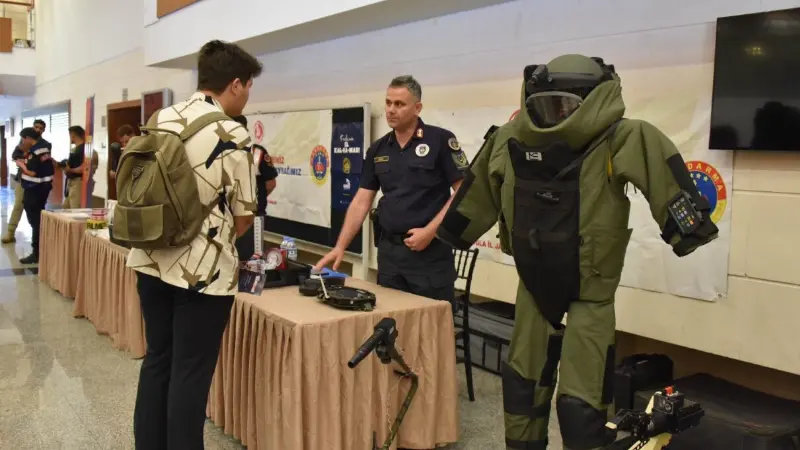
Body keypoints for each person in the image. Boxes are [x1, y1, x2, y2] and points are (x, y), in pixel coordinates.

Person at [434, 55, 720, 450]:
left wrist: (689, 229)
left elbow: (669, 185)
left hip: (591, 292)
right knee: (522, 386)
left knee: (581, 404)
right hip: (534, 286)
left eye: (565, 105)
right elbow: (474, 198)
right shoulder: (507, 138)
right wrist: (452, 231)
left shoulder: (623, 138)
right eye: (546, 105)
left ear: (592, 100)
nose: (555, 115)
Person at [125, 39, 261, 450]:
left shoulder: (160, 118)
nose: (248, 93)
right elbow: (244, 216)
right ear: (235, 84)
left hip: (149, 257)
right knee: (191, 371)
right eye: (249, 85)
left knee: (158, 360)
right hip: (202, 274)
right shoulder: (233, 134)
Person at [315, 75, 470, 306]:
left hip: (429, 255)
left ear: (417, 107)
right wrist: (340, 247)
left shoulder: (441, 140)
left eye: (399, 104)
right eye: (388, 103)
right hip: (390, 256)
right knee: (391, 326)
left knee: (428, 331)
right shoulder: (378, 149)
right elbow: (361, 201)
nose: (391, 110)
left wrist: (430, 232)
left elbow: (463, 191)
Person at [231, 115, 279, 261]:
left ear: (245, 130)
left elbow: (270, 184)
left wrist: (255, 200)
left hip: (252, 218)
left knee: (249, 262)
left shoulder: (258, 153)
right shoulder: (220, 152)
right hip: (226, 216)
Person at [17, 127, 55, 265]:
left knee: (36, 222)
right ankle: (40, 250)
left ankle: (37, 252)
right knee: (37, 221)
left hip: (35, 189)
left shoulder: (35, 151)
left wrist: (21, 164)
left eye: (23, 139)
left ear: (28, 138)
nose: (22, 142)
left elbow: (32, 172)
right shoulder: (44, 148)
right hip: (42, 189)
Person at [2, 142, 26, 244]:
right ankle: (10, 233)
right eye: (36, 127)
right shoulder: (23, 144)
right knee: (18, 206)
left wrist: (24, 159)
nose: (38, 130)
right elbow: (15, 155)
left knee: (36, 210)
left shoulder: (45, 145)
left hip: (37, 183)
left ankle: (39, 236)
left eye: (40, 128)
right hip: (22, 180)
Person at [61, 126, 86, 209]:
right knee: (66, 207)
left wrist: (70, 170)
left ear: (73, 136)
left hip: (78, 182)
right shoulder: (74, 149)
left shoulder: (84, 149)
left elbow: (85, 168)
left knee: (75, 208)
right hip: (70, 182)